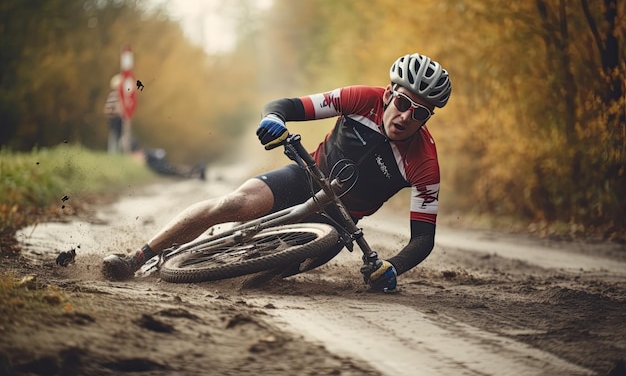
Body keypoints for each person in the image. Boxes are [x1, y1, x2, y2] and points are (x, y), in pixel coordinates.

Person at [102, 53, 452, 292]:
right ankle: (137, 258)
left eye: (420, 113)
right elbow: (287, 106)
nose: (407, 116)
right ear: (390, 94)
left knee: (266, 274)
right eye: (404, 103)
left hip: (338, 223)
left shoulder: (424, 161)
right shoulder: (362, 99)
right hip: (303, 178)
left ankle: (213, 271)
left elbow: (423, 239)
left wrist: (392, 266)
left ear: (427, 118)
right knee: (233, 203)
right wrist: (273, 118)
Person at [103, 74, 124, 154]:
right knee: (116, 136)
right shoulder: (116, 95)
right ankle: (114, 152)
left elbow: (107, 109)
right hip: (116, 118)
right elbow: (113, 108)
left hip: (112, 118)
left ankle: (114, 152)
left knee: (115, 136)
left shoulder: (112, 95)